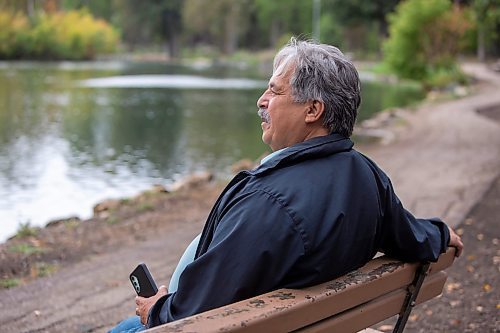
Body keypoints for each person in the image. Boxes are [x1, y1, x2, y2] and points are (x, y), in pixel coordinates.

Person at [109, 38, 463, 332]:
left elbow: (193, 317)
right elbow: (409, 235)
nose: (261, 101)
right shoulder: (365, 174)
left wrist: (156, 311)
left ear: (313, 110)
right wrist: (440, 233)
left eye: (274, 92)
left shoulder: (269, 202)